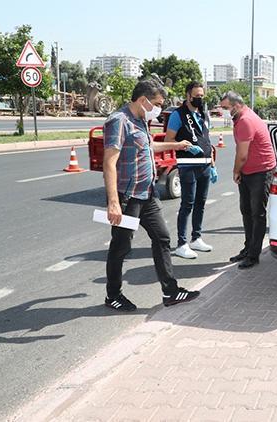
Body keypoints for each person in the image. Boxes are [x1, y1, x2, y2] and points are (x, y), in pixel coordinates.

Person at [103, 79, 200, 311]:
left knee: (162, 238)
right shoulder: (119, 121)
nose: (159, 109)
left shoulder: (141, 120)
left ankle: (171, 292)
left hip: (147, 193)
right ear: (143, 100)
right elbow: (109, 162)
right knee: (121, 247)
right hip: (128, 196)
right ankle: (113, 295)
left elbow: (146, 147)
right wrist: (114, 203)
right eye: (156, 104)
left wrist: (176, 146)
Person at [219, 91, 276, 269]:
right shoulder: (241, 117)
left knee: (257, 213)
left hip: (261, 171)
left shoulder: (245, 120)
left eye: (226, 108)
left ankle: (253, 255)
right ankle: (248, 248)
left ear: (236, 105)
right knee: (246, 210)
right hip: (249, 171)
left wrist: (236, 171)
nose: (223, 111)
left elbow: (242, 155)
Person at [165, 81, 217, 259]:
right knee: (188, 204)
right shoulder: (177, 115)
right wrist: (184, 146)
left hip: (205, 165)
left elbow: (207, 141)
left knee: (200, 203)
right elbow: (167, 140)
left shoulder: (203, 114)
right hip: (188, 166)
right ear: (188, 96)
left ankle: (196, 237)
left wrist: (213, 165)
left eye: (202, 96)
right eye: (197, 96)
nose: (199, 99)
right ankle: (181, 243)